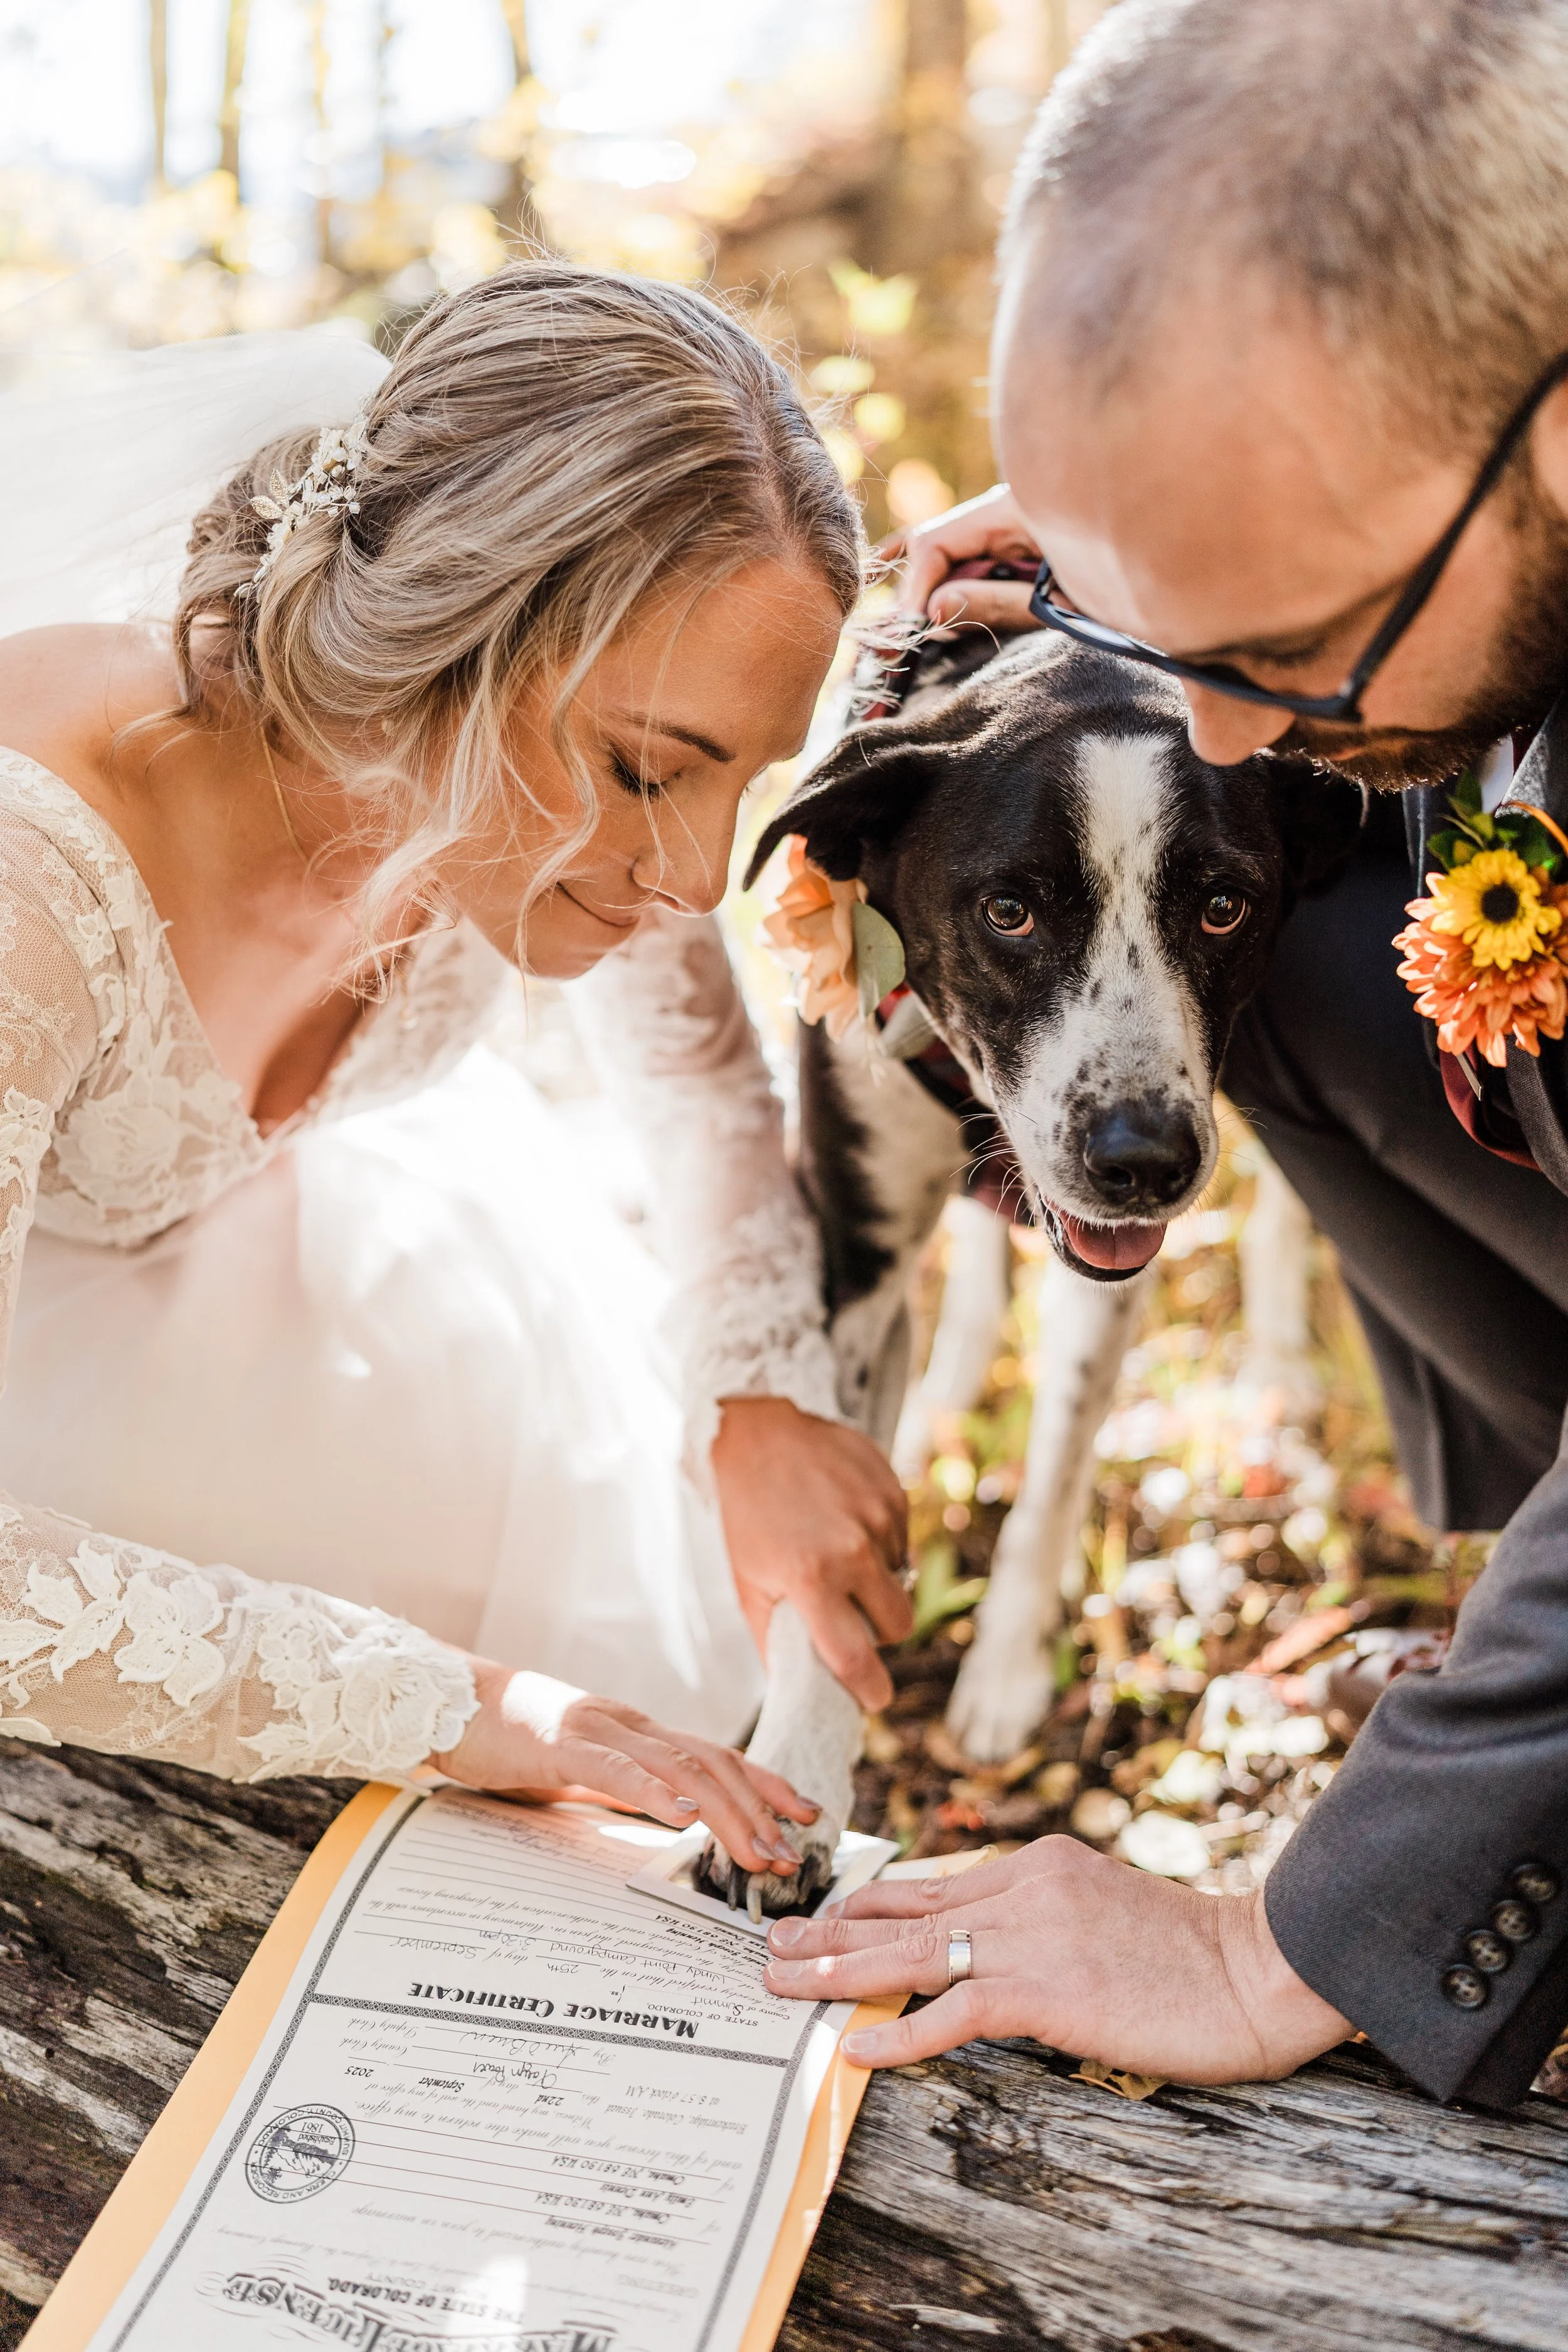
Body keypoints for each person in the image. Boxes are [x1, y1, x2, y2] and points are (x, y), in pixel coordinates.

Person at [765, 0, 1568, 2106]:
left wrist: (1267, 1939)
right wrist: (1155, 528)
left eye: (1275, 649)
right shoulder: (1477, 501)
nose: (1213, 725)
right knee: (1289, 919)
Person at [0, 263, 914, 1880]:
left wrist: (756, 1396)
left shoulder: (527, 784)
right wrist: (473, 1705)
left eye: (742, 779)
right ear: (446, 641)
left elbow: (698, 1095)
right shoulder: (32, 869)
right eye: (650, 771)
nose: (701, 874)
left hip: (302, 1296)